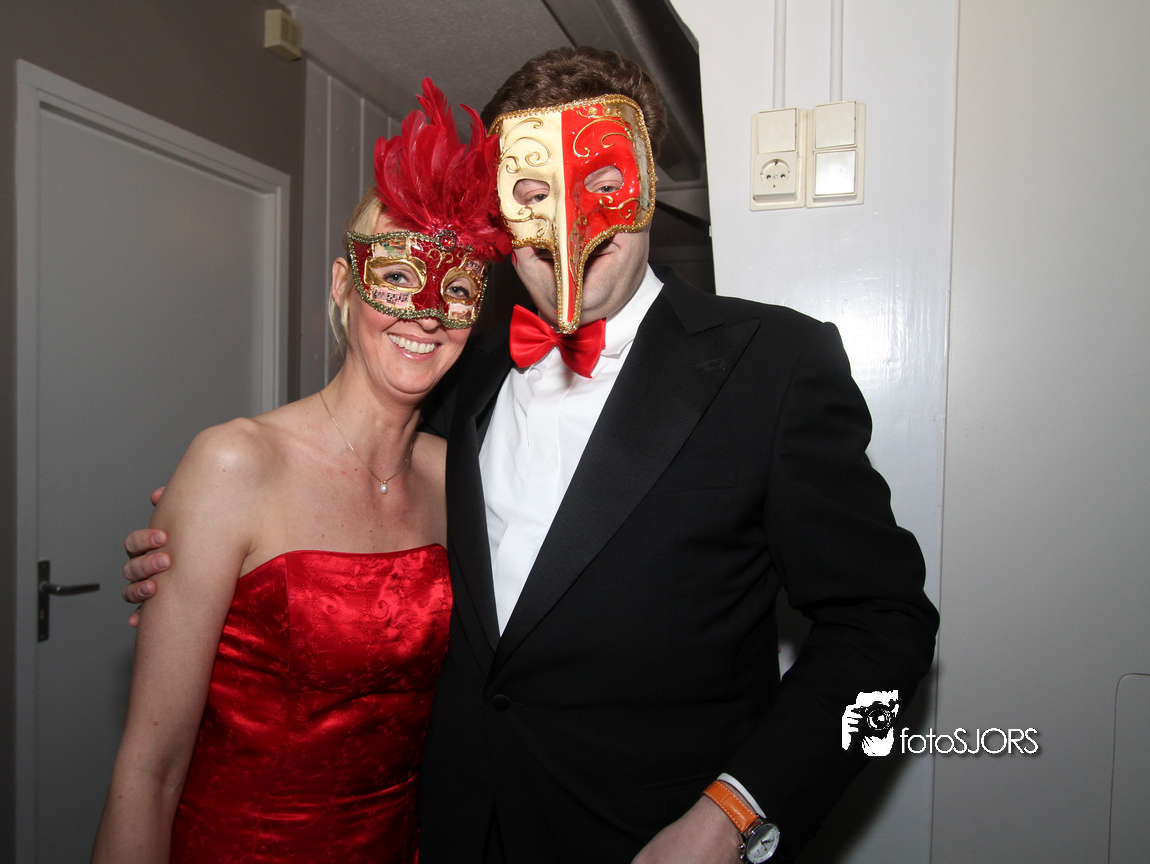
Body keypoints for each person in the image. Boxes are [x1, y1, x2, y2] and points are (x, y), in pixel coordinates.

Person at [124, 48, 938, 863]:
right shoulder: (461, 366)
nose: (568, 221)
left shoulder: (775, 365)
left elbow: (889, 630)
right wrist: (206, 557)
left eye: (603, 183)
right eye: (534, 192)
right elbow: (343, 502)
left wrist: (734, 817)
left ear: (649, 185)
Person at [91, 79, 510, 864]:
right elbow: (148, 772)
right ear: (343, 285)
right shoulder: (233, 463)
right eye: (396, 276)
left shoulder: (461, 477)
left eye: (455, 289)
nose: (425, 313)